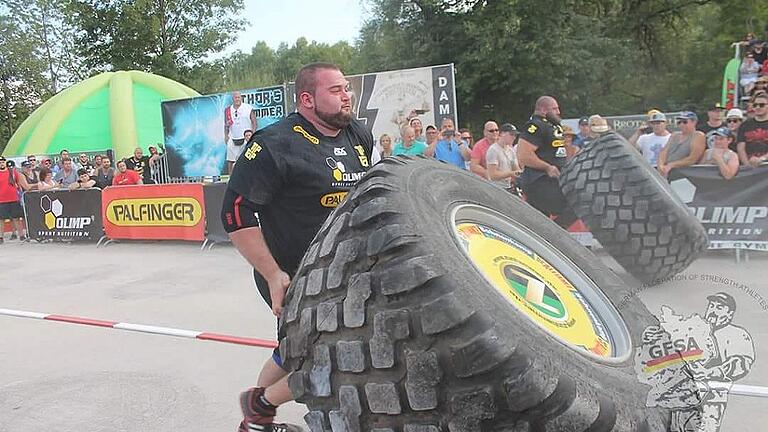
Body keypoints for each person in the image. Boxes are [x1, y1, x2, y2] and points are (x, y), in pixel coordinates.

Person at [221, 63, 373, 432]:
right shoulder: (274, 143)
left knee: (295, 350)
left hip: (350, 268)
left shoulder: (358, 134)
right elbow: (234, 213)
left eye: (346, 88)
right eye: (336, 90)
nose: (346, 95)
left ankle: (255, 416)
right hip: (294, 274)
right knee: (332, 357)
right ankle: (261, 404)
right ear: (307, 99)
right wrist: (273, 274)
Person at [517, 95, 577, 229]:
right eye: (555, 109)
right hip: (539, 180)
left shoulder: (553, 125)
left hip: (555, 178)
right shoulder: (535, 125)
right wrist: (547, 167)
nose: (558, 112)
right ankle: (555, 233)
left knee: (541, 224)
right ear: (543, 110)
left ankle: (550, 235)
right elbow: (523, 155)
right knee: (577, 202)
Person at [657, 112, 706, 177]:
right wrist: (660, 165)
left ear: (694, 122)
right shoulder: (674, 135)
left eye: (685, 122)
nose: (681, 125)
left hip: (684, 174)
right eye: (679, 122)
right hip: (666, 171)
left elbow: (692, 159)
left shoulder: (698, 136)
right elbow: (664, 152)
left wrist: (672, 165)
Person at [225, 90, 258, 174]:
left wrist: (252, 134)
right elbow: (226, 124)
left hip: (246, 138)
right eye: (235, 98)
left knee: (247, 159)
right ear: (233, 99)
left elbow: (254, 122)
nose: (237, 99)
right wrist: (226, 136)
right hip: (233, 137)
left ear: (241, 98)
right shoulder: (228, 110)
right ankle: (230, 179)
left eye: (239, 97)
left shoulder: (248, 108)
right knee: (230, 160)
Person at [0, 156, 29, 243]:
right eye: (0, 162)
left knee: (17, 218)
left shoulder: (12, 172)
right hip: (1, 199)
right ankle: (1, 237)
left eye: (2, 161)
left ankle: (21, 235)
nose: (1, 163)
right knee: (1, 219)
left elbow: (19, 184)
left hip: (13, 198)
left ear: (5, 162)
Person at [486, 123, 521, 192]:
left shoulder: (511, 151)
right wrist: (511, 173)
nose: (514, 137)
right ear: (502, 134)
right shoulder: (493, 150)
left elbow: (516, 169)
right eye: (511, 134)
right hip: (496, 188)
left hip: (508, 187)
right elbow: (492, 175)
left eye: (515, 135)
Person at [736, 91, 768, 167]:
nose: (758, 107)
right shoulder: (745, 125)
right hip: (749, 167)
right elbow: (741, 147)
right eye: (755, 105)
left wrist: (762, 159)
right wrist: (747, 165)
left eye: (761, 105)